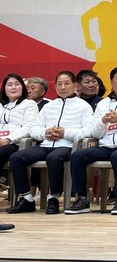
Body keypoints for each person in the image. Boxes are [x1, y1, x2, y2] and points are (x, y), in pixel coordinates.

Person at [65, 66, 117, 215]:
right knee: (77, 156)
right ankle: (82, 199)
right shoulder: (103, 103)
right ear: (111, 82)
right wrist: (103, 122)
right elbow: (96, 133)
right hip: (106, 146)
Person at [7, 71, 92, 214]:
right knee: (16, 157)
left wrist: (65, 132)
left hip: (67, 145)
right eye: (59, 84)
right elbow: (34, 129)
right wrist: (45, 132)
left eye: (66, 84)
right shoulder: (49, 106)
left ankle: (53, 198)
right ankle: (27, 198)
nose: (63, 87)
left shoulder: (83, 106)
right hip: (46, 144)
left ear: (75, 85)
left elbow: (89, 131)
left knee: (54, 158)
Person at [1, 74, 39, 174]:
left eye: (17, 84)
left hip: (16, 143)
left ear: (23, 87)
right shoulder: (0, 105)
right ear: (4, 88)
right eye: (9, 85)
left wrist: (9, 139)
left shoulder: (29, 104)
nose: (13, 87)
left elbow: (29, 127)